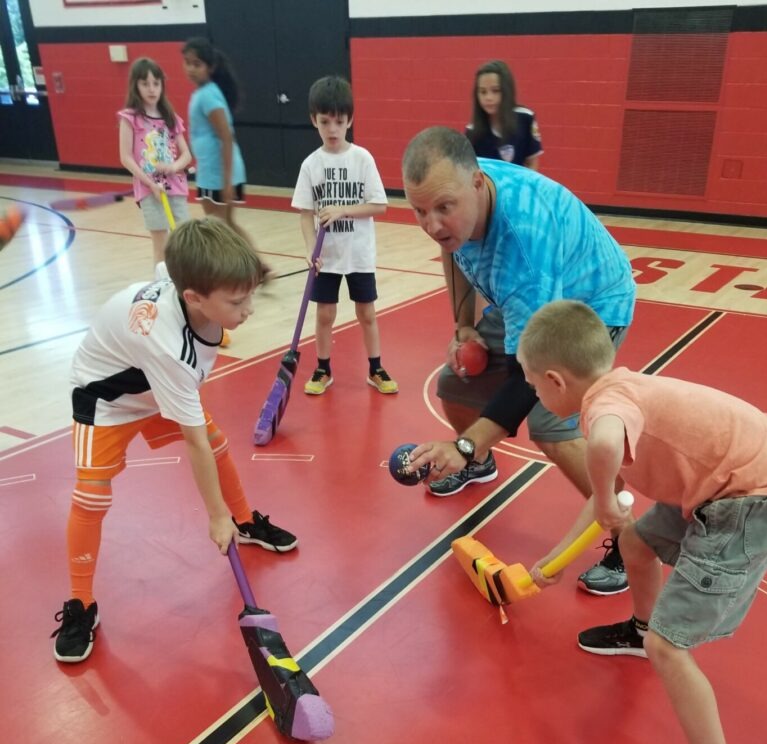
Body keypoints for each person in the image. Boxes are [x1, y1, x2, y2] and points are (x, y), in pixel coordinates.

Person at [517, 299, 767, 744]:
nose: (537, 395)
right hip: (725, 476)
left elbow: (602, 449)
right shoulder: (620, 387)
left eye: (534, 386)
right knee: (634, 540)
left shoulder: (604, 407)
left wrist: (603, 496)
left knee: (671, 650)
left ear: (556, 379)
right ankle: (641, 627)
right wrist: (558, 557)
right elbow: (607, 502)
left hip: (748, 499)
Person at [51, 218, 298, 664]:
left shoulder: (184, 283)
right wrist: (214, 517)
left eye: (251, 296)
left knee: (218, 441)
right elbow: (193, 443)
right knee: (90, 495)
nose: (250, 310)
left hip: (151, 381)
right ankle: (80, 603)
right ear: (194, 298)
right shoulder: (171, 350)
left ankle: (247, 522)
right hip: (106, 397)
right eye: (239, 301)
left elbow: (172, 261)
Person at [402, 125, 635, 594]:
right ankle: (480, 464)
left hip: (593, 301)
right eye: (419, 211)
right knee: (456, 386)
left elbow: (524, 382)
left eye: (442, 209)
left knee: (550, 426)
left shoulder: (522, 246)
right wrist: (464, 325)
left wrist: (463, 444)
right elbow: (451, 251)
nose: (431, 224)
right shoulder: (457, 197)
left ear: (476, 184)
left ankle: (628, 537)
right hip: (528, 301)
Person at [291, 75, 395, 397]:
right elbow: (305, 213)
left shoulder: (362, 159)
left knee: (366, 312)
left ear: (349, 119)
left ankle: (375, 367)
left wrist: (343, 209)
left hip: (359, 254)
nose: (332, 129)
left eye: (339, 121)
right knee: (325, 314)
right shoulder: (311, 165)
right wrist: (310, 249)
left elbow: (380, 205)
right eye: (325, 122)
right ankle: (323, 368)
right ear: (314, 121)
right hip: (328, 257)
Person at [118, 57, 192, 271]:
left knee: (184, 238)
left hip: (175, 186)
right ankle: (160, 287)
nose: (151, 89)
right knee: (160, 241)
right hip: (149, 189)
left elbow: (186, 154)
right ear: (136, 85)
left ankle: (185, 282)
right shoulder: (130, 118)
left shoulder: (171, 118)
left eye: (156, 83)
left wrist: (174, 167)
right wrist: (149, 183)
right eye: (145, 83)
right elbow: (126, 157)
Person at [181, 38, 249, 238]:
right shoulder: (203, 93)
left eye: (197, 64)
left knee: (219, 228)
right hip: (210, 171)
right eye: (187, 62)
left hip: (218, 174)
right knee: (225, 225)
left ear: (210, 67)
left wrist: (226, 182)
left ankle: (256, 265)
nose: (191, 69)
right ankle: (259, 266)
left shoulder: (208, 95)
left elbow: (226, 137)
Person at [466, 59, 542, 170]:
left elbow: (532, 163)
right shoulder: (472, 131)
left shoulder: (525, 118)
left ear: (507, 91)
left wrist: (524, 187)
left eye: (495, 91)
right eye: (483, 92)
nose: (488, 98)